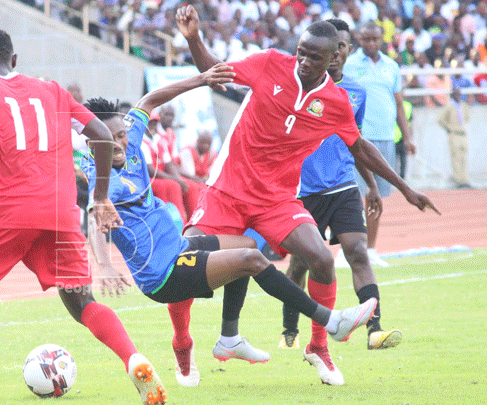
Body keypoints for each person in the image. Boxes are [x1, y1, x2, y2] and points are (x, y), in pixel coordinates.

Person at [175, 7, 438, 386]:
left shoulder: (336, 102)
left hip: (276, 199)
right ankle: (184, 345)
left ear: (334, 58)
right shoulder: (269, 64)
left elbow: (360, 149)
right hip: (228, 189)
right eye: (301, 52)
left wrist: (405, 188)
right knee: (187, 256)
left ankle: (318, 347)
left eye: (314, 56)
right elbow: (215, 73)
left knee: (320, 258)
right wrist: (193, 38)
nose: (304, 61)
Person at [80, 85, 377, 389]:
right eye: (109, 139)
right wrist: (103, 265)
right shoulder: (103, 181)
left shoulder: (127, 146)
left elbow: (149, 99)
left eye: (121, 134)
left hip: (178, 249)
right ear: (91, 143)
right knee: (252, 260)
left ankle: (229, 338)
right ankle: (331, 321)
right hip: (163, 274)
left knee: (248, 244)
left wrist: (203, 78)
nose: (119, 143)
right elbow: (93, 215)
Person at [0, 28, 165, 405]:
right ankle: (133, 358)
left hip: (10, 212)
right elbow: (102, 137)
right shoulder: (53, 91)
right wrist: (101, 196)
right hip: (61, 214)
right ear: (14, 61)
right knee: (81, 301)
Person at [280, 19, 403, 356]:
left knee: (358, 252)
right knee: (301, 264)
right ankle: (290, 327)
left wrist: (372, 186)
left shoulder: (356, 93)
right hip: (304, 191)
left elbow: (356, 144)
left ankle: (374, 329)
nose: (335, 55)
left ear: (346, 51)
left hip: (344, 186)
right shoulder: (299, 86)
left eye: (342, 47)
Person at [344, 21, 417, 268]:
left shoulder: (392, 67)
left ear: (382, 40)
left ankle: (371, 249)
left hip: (386, 137)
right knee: (353, 194)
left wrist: (407, 138)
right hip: (356, 138)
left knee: (376, 196)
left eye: (375, 39)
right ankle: (350, 248)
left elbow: (399, 105)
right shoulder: (349, 64)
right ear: (359, 39)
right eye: (366, 39)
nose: (371, 44)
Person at [437, 87, 472, 189]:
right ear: (452, 95)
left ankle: (465, 179)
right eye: (456, 94)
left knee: (464, 158)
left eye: (459, 94)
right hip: (454, 134)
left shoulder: (463, 106)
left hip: (463, 134)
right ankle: (459, 180)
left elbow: (466, 119)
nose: (458, 96)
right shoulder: (449, 106)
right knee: (456, 158)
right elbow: (440, 120)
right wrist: (449, 128)